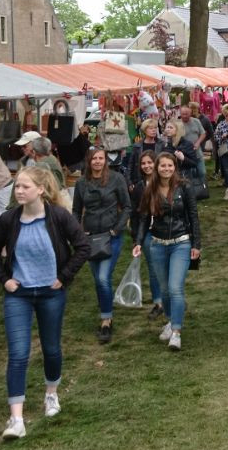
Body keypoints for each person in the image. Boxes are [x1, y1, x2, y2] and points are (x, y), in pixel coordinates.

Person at [0, 167, 90, 441]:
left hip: (50, 293)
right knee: (18, 354)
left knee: (51, 348)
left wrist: (63, 278)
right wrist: (4, 280)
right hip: (18, 294)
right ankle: (16, 419)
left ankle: (51, 394)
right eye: (17, 186)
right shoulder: (9, 219)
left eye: (25, 186)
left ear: (41, 190)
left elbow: (83, 247)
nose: (19, 191)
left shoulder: (58, 217)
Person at [131, 153, 201, 351]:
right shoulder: (149, 190)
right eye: (163, 166)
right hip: (158, 244)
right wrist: (138, 241)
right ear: (156, 168)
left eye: (170, 165)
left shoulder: (184, 187)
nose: (166, 169)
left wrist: (196, 244)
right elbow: (143, 219)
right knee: (164, 290)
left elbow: (194, 216)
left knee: (175, 288)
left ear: (174, 167)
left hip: (181, 242)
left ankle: (176, 333)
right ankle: (171, 320)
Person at [72, 147, 130, 344]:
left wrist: (116, 229)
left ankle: (106, 319)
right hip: (90, 237)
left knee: (104, 278)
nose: (97, 162)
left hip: (111, 235)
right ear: (88, 162)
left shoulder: (116, 179)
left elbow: (127, 206)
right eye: (93, 159)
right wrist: (78, 233)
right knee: (98, 279)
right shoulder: (81, 183)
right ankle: (106, 310)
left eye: (100, 158)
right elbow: (76, 210)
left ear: (106, 160)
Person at [127, 151, 165, 318]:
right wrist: (137, 239)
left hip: (167, 231)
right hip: (148, 233)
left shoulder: (165, 183)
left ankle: (172, 298)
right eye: (143, 163)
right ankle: (158, 302)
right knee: (153, 268)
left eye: (150, 162)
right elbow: (135, 215)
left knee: (169, 267)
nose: (147, 166)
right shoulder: (138, 187)